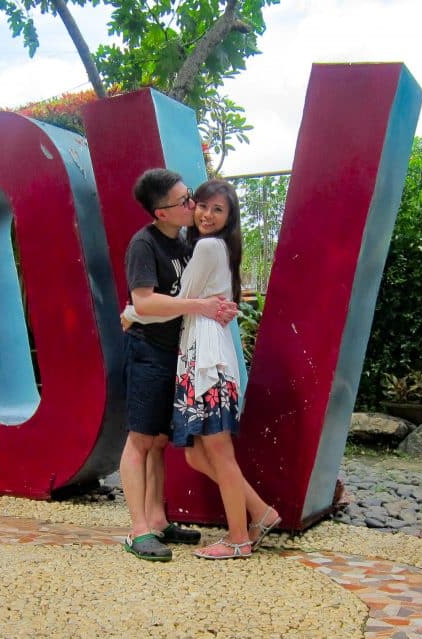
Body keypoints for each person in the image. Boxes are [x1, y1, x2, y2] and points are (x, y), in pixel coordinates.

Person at [123, 179, 280, 560]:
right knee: (181, 449)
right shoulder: (156, 243)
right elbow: (165, 301)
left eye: (215, 208)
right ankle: (145, 527)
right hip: (186, 357)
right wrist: (137, 309)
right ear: (164, 211)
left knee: (211, 449)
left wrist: (132, 312)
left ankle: (242, 534)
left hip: (203, 360)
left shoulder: (202, 245)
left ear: (229, 217)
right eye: (194, 203)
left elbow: (181, 299)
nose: (200, 210)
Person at [120, 168, 238, 562]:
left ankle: (157, 519)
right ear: (161, 213)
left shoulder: (188, 242)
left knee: (158, 442)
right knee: (139, 440)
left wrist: (222, 305)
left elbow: (202, 291)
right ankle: (138, 530)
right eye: (186, 201)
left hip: (178, 352)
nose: (193, 206)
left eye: (193, 198)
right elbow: (145, 302)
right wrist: (198, 306)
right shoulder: (144, 244)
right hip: (148, 352)